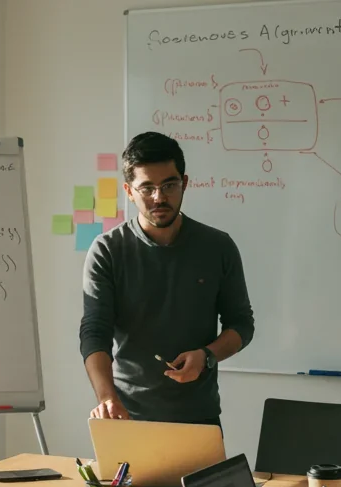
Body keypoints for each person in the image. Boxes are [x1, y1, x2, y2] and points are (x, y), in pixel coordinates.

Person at [78, 132, 255, 426]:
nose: (159, 197)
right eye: (147, 188)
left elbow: (241, 324)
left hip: (199, 418)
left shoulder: (217, 247)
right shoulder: (108, 250)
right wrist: (107, 398)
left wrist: (207, 356)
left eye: (169, 185)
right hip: (127, 416)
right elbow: (94, 332)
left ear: (184, 183)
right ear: (129, 191)